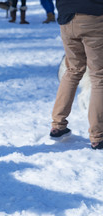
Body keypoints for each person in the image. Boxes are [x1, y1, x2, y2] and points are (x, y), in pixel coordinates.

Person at [50, 0, 103, 149]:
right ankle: (98, 135)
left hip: (67, 18)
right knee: (99, 76)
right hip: (94, 16)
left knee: (73, 71)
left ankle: (58, 125)